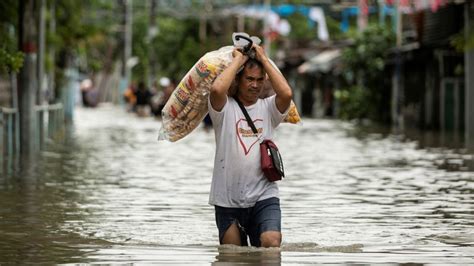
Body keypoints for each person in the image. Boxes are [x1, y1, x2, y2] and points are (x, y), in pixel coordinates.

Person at [208, 43, 293, 248]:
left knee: (271, 243)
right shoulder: (223, 108)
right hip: (227, 200)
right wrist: (239, 59)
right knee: (232, 255)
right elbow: (217, 88)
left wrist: (263, 58)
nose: (255, 85)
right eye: (249, 79)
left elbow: (287, 94)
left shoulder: (269, 109)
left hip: (264, 196)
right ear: (238, 79)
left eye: (259, 80)